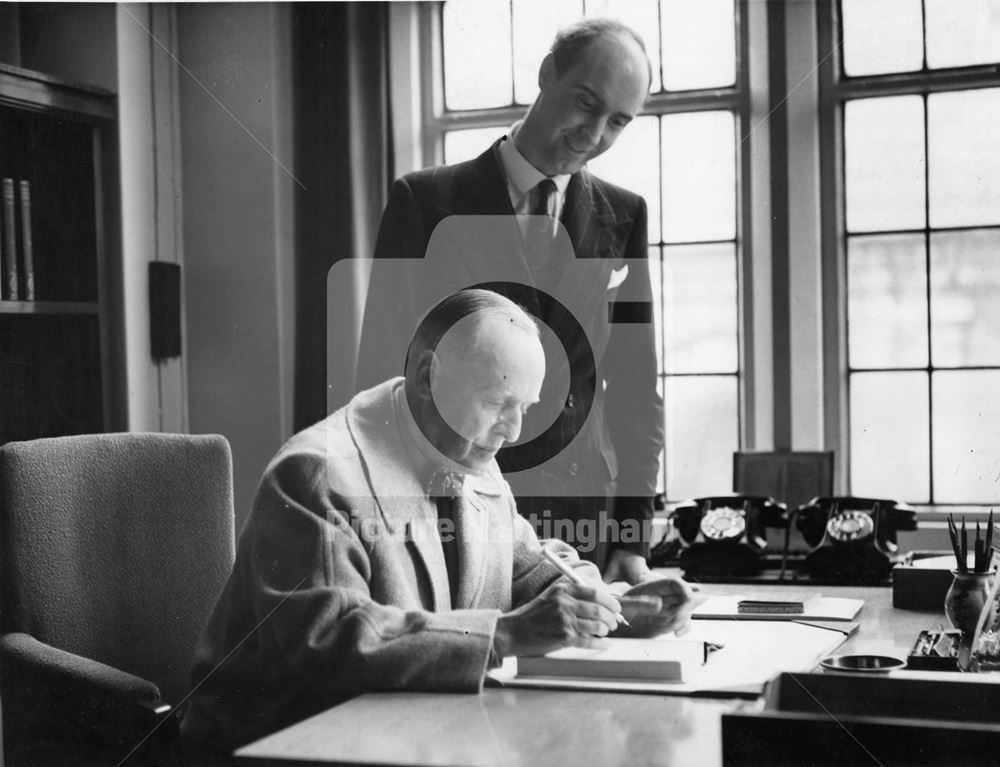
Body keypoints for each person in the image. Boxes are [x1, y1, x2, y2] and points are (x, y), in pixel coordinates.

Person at [181, 289, 692, 754]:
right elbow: (332, 642)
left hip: (404, 731)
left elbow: (524, 564)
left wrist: (617, 608)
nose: (513, 432)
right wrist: (505, 636)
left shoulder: (466, 447)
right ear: (428, 378)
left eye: (525, 407)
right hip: (282, 746)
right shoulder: (319, 473)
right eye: (497, 402)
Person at [356, 18, 662, 584]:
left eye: (617, 121)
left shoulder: (626, 215)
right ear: (547, 74)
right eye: (586, 104)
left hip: (586, 523)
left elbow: (637, 388)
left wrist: (634, 537)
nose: (593, 135)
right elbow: (380, 377)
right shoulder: (425, 201)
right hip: (454, 514)